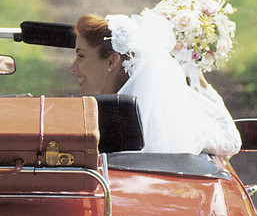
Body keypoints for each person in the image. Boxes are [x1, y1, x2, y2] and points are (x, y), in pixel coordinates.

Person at [71, 12, 241, 156]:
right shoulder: (79, 114)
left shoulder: (166, 125)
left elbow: (230, 142)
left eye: (81, 56)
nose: (73, 67)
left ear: (112, 61)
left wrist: (196, 74)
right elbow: (230, 141)